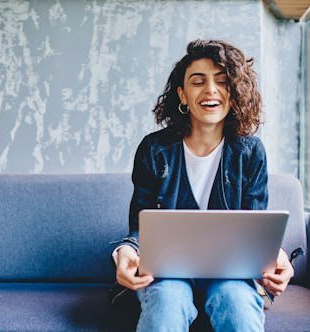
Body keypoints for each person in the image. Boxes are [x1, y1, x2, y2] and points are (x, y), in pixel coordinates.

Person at [113, 39, 295, 331]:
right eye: (198, 82)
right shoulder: (153, 149)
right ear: (183, 95)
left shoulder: (251, 152)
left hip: (231, 274)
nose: (211, 90)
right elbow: (141, 227)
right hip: (167, 274)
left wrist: (276, 256)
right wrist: (125, 251)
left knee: (237, 303)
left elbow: (254, 226)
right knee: (167, 300)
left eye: (222, 82)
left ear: (234, 94)